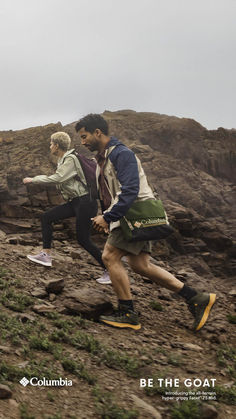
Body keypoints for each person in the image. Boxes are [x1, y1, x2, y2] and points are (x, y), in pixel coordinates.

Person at [75, 114, 216, 331]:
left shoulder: (121, 154)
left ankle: (128, 312)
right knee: (140, 265)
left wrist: (109, 217)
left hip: (133, 215)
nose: (83, 142)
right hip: (126, 215)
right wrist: (107, 219)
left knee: (109, 257)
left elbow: (129, 190)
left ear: (97, 132)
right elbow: (107, 193)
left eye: (84, 136)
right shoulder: (102, 159)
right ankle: (196, 298)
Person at [23, 131, 111, 284]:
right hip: (76, 202)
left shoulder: (70, 159)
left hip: (85, 202)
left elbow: (59, 178)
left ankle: (109, 271)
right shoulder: (64, 160)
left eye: (51, 144)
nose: (50, 146)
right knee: (46, 217)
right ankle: (46, 255)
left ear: (57, 145)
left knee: (83, 239)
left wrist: (33, 179)